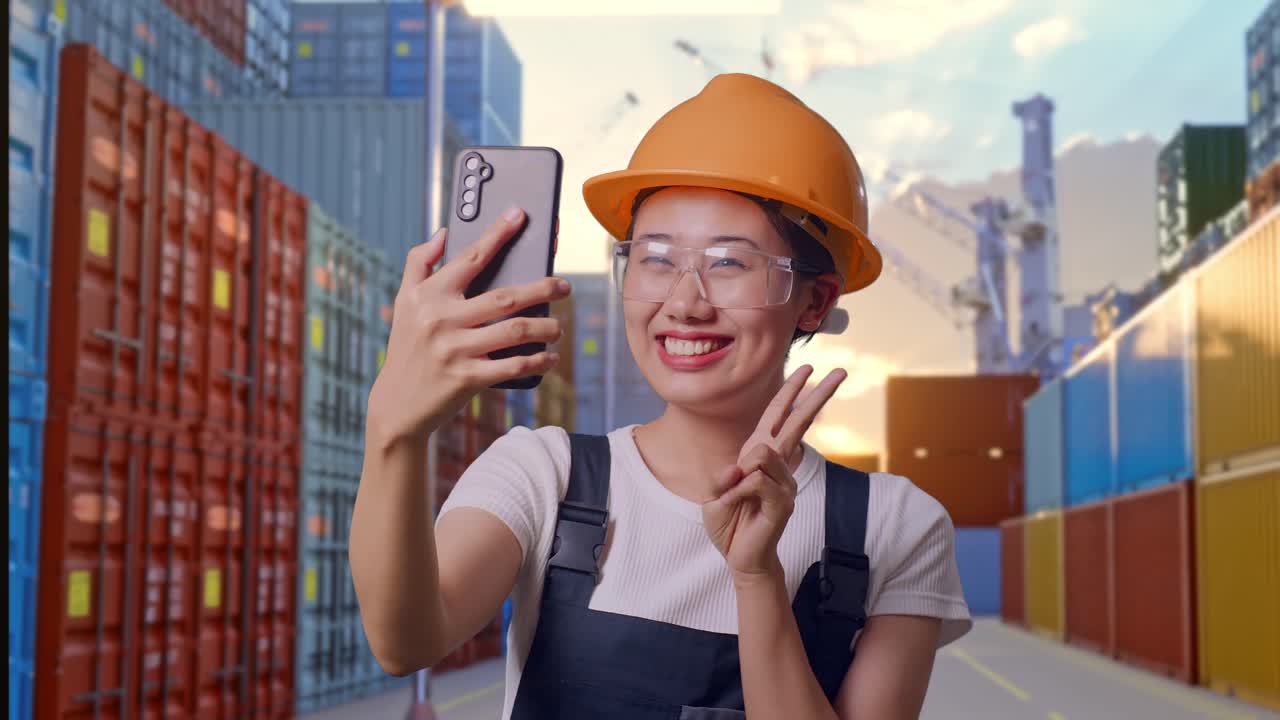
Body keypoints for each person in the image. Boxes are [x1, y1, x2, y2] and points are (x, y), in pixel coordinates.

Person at [351, 73, 972, 719]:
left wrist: (757, 579)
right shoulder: (543, 475)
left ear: (814, 301)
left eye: (729, 263)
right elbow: (404, 643)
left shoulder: (895, 527)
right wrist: (394, 431)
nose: (683, 303)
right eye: (654, 258)